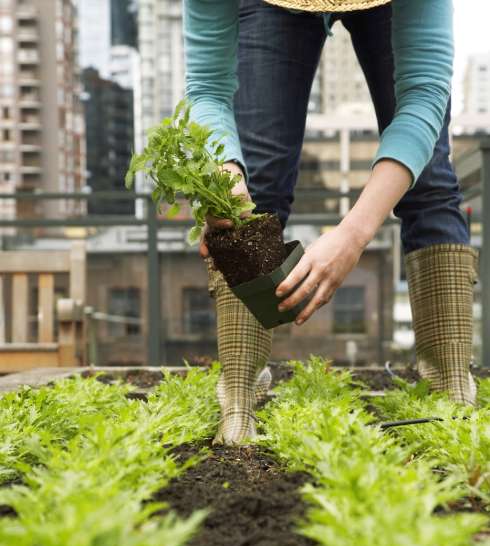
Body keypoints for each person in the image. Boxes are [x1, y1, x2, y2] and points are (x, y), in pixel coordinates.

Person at [183, 0, 479, 445]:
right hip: (266, 9)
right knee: (255, 182)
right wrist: (224, 171)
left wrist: (353, 234)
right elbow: (207, 89)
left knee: (430, 181)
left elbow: (423, 96)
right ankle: (240, 390)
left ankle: (450, 382)